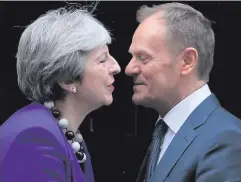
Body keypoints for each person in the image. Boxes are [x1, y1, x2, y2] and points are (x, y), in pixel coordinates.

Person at [0, 6, 121, 182]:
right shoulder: (36, 138)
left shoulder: (64, 132)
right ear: (67, 79)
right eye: (102, 59)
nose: (116, 67)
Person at [125, 2, 241, 182]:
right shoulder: (165, 131)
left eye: (143, 57)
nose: (129, 68)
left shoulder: (225, 139)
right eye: (132, 57)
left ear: (187, 61)